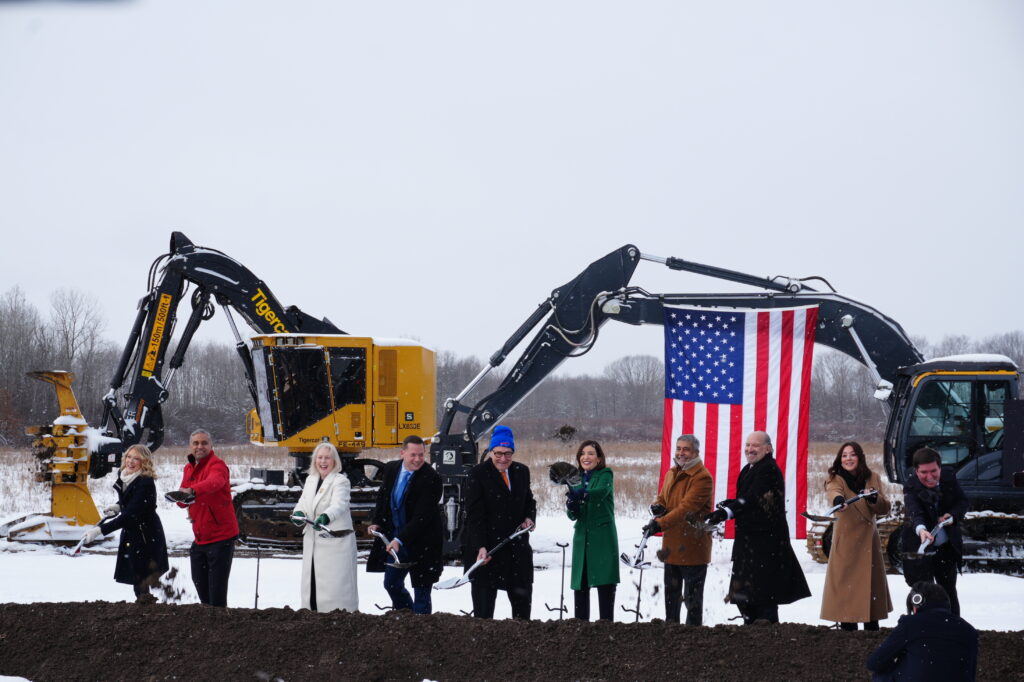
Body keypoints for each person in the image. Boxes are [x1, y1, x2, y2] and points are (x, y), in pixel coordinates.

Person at [705, 430, 811, 624]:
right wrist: (730, 504)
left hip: (765, 545)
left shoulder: (769, 469)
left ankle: (767, 641)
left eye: (755, 445)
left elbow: (753, 499)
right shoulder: (749, 470)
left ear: (768, 448)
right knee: (744, 598)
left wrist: (727, 512)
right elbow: (745, 499)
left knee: (763, 600)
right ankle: (752, 637)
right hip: (748, 544)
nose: (749, 449)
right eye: (747, 445)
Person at [462, 424, 536, 620]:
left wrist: (530, 517)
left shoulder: (522, 471)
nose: (503, 459)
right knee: (484, 615)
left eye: (508, 453)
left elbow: (529, 501)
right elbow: (474, 515)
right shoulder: (477, 474)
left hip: (516, 552)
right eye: (498, 453)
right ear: (491, 451)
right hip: (487, 552)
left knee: (522, 614)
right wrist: (480, 546)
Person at [820, 441, 893, 630]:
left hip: (868, 544)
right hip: (846, 545)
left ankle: (871, 632)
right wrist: (838, 501)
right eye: (844, 455)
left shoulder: (873, 478)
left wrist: (874, 498)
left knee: (870, 595)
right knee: (847, 597)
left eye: (852, 454)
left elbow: (885, 507)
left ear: (859, 457)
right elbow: (833, 492)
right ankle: (847, 634)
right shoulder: (835, 478)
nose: (848, 459)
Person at [83, 444, 169, 604]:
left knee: (141, 577)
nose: (131, 461)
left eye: (136, 458)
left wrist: (100, 530)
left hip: (145, 535)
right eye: (129, 456)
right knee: (138, 575)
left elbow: (131, 515)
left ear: (144, 462)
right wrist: (118, 506)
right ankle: (146, 608)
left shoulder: (145, 482)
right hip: (134, 533)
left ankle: (147, 610)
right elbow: (130, 501)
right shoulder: (126, 477)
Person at [367, 435, 443, 614]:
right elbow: (383, 497)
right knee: (391, 584)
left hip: (423, 542)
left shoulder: (431, 478)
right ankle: (406, 617)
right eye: (413, 455)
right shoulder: (391, 469)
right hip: (396, 540)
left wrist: (399, 539)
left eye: (421, 455)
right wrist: (377, 521)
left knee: (422, 592)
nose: (418, 460)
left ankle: (422, 628)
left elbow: (422, 517)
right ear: (402, 453)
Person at [645, 434, 712, 625]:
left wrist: (659, 524)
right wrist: (657, 507)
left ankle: (692, 640)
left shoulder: (702, 478)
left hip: (693, 547)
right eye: (679, 449)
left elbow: (685, 509)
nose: (681, 453)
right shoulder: (671, 473)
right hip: (671, 546)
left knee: (692, 602)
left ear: (696, 453)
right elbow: (663, 499)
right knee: (671, 600)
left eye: (686, 449)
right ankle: (671, 637)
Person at [901, 447, 969, 616]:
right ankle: (921, 631)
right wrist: (922, 530)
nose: (930, 476)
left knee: (948, 592)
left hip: (946, 547)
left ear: (940, 468)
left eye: (934, 471)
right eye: (924, 472)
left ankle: (952, 629)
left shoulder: (949, 478)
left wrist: (952, 516)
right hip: (920, 548)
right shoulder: (910, 487)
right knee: (921, 593)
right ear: (916, 471)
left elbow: (963, 502)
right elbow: (915, 512)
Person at [174, 429, 239, 607]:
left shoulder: (218, 465)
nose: (199, 446)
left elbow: (214, 482)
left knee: (216, 596)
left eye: (204, 443)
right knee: (203, 593)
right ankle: (208, 628)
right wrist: (179, 497)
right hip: (200, 538)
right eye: (196, 443)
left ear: (211, 445)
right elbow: (183, 498)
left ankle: (220, 629)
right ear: (190, 446)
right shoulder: (189, 468)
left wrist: (193, 491)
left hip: (221, 537)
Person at [291, 442, 358, 612]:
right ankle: (312, 615)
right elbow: (303, 502)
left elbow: (340, 504)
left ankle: (339, 616)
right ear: (314, 461)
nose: (323, 461)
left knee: (334, 588)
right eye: (319, 458)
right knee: (312, 585)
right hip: (312, 543)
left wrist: (326, 517)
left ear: (334, 461)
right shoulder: (310, 480)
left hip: (334, 545)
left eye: (327, 458)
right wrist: (298, 514)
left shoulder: (340, 481)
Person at [866, 582, 978, 681]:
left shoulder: (911, 624)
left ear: (916, 603)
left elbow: (874, 663)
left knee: (881, 675)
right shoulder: (968, 630)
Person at [565, 439, 619, 621]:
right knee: (581, 586)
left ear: (599, 458)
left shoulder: (606, 474)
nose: (585, 457)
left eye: (590, 453)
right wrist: (572, 505)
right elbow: (574, 515)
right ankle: (581, 629)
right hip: (582, 538)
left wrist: (583, 494)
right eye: (582, 453)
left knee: (605, 586)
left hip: (602, 538)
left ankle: (606, 629)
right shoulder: (576, 478)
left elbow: (601, 492)